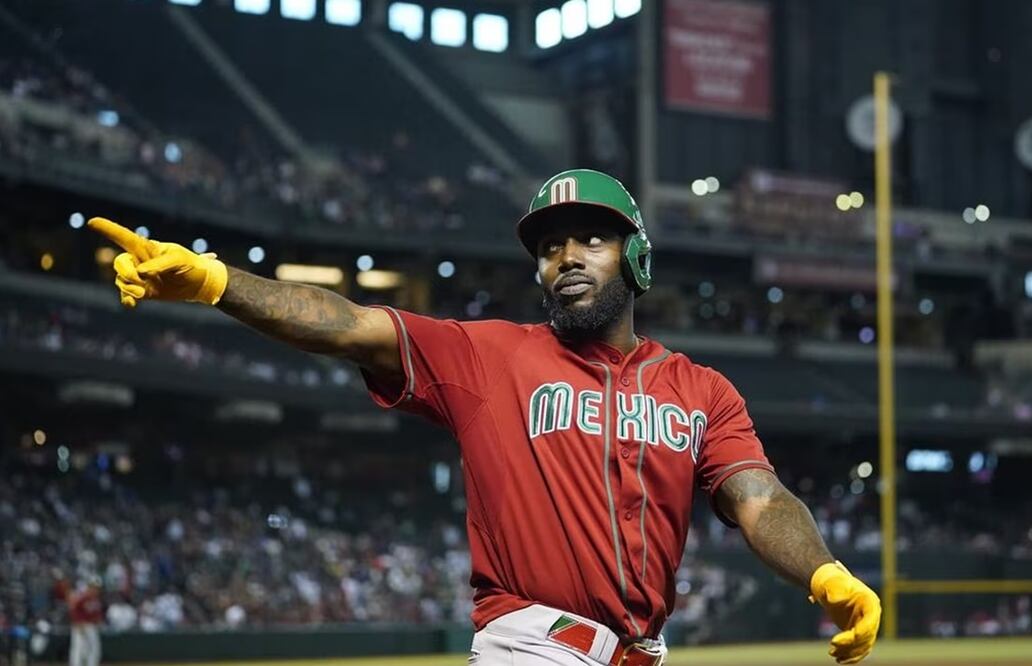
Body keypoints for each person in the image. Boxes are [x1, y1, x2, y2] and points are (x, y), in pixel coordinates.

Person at [89, 169, 880, 665]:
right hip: (531, 648)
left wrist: (825, 571)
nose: (565, 257)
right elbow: (345, 322)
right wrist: (216, 282)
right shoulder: (488, 355)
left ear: (636, 258)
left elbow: (759, 498)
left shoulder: (701, 389)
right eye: (549, 247)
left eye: (591, 240)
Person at [66, 579, 103, 666]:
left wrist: (98, 621)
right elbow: (73, 610)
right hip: (80, 626)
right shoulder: (82, 597)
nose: (96, 590)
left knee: (93, 649)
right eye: (93, 587)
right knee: (78, 649)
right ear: (89, 587)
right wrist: (77, 623)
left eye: (97, 588)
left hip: (91, 626)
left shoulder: (96, 599)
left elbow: (97, 614)